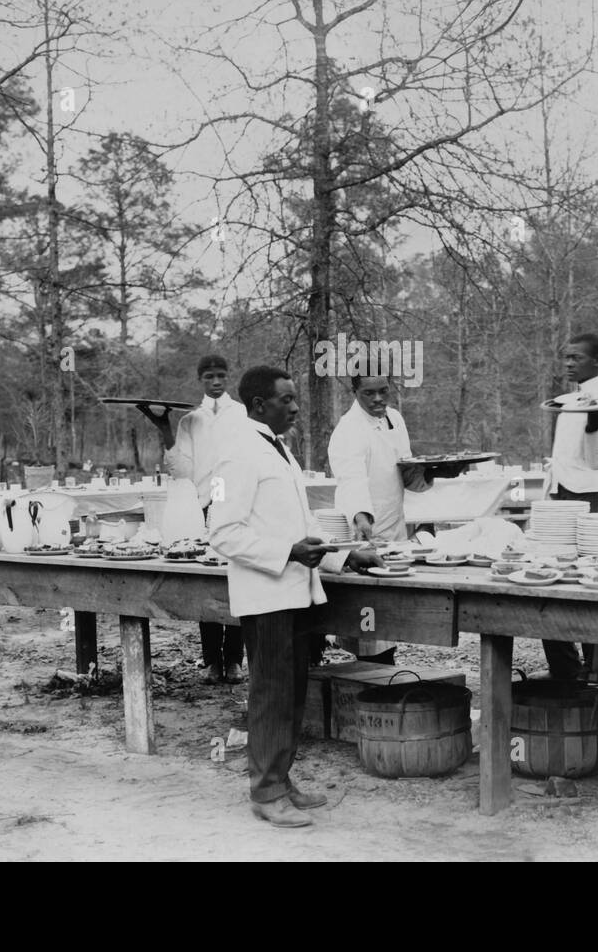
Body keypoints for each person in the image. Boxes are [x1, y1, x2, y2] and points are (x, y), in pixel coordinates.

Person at [209, 365, 378, 828]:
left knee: (292, 694)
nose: (297, 407)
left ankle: (281, 780)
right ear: (259, 404)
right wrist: (286, 553)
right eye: (286, 400)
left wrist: (343, 559)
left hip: (296, 593)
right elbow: (221, 532)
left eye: (295, 398)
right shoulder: (236, 452)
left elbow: (299, 529)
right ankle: (264, 792)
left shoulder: (277, 448)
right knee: (270, 695)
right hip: (265, 596)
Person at [327, 374, 449, 664]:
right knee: (365, 622)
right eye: (369, 393)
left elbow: (406, 472)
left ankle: (382, 671)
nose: (379, 399)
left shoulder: (395, 419)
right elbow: (350, 477)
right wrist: (360, 515)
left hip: (394, 527)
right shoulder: (349, 429)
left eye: (384, 391)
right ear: (354, 391)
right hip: (363, 532)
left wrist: (433, 472)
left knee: (387, 617)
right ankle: (368, 677)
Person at [150, 353, 248, 684]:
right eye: (209, 377)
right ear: (200, 380)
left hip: (237, 504)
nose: (216, 382)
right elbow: (182, 469)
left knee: (236, 581)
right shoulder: (190, 420)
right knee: (207, 581)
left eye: (221, 375)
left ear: (228, 377)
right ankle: (212, 661)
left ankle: (235, 659)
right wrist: (165, 430)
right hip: (205, 504)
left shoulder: (243, 414)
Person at [542, 332, 598, 683]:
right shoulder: (567, 398)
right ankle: (564, 671)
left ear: (597, 360)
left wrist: (594, 419)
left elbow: (597, 460)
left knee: (596, 587)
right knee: (553, 580)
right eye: (566, 357)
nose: (569, 363)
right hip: (563, 497)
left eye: (576, 358)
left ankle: (594, 674)